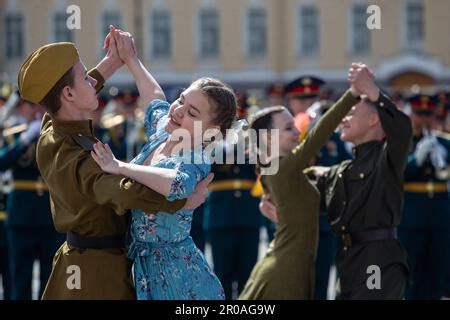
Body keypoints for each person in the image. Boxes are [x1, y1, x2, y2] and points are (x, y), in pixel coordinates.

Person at [17, 27, 208, 299]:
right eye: (85, 78)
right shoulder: (76, 155)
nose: (92, 81)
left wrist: (112, 61)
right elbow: (121, 189)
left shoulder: (54, 129)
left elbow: (67, 94)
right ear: (69, 95)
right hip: (98, 274)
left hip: (83, 263)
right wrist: (180, 200)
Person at [91, 28, 237, 300]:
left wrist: (120, 167)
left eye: (192, 112)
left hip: (176, 278)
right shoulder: (163, 132)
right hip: (142, 268)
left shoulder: (195, 157)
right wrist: (130, 58)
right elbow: (155, 97)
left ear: (211, 132)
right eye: (181, 99)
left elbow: (177, 184)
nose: (178, 110)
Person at [238, 64, 366, 300]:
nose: (297, 132)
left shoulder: (276, 167)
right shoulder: (283, 167)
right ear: (268, 137)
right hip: (286, 272)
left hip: (291, 265)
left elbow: (305, 178)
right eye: (289, 128)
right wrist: (353, 93)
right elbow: (319, 135)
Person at [399, 94, 450, 299]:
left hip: (440, 214)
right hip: (412, 214)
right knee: (412, 270)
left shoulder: (443, 143)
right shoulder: (402, 142)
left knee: (438, 268)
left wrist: (441, 158)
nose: (424, 119)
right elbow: (397, 176)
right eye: (419, 114)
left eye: (428, 114)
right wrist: (415, 160)